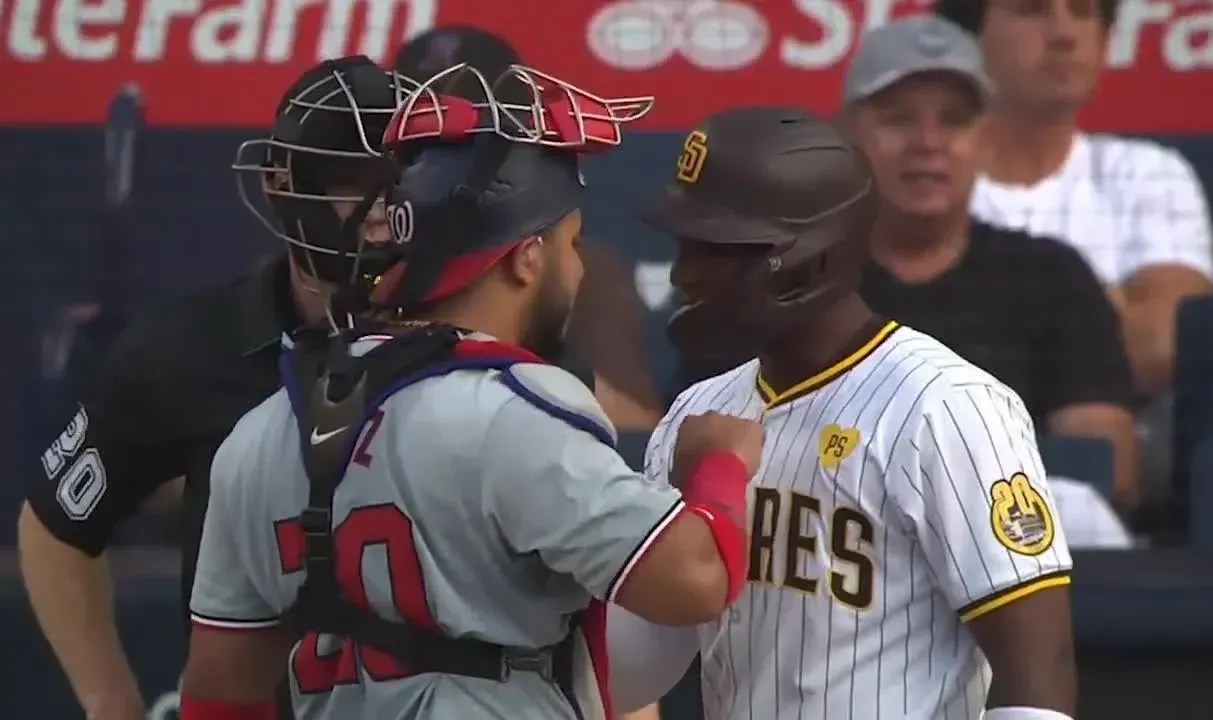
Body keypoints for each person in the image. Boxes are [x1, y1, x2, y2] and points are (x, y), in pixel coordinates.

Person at [178, 62, 763, 720]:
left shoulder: (260, 432)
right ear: (527, 256)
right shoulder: (514, 411)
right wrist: (716, 467)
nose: (576, 268)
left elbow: (220, 690)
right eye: (572, 244)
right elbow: (695, 582)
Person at [608, 107, 1077, 719]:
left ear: (807, 259)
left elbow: (1038, 676)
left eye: (715, 248)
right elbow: (634, 664)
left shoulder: (946, 407)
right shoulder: (697, 415)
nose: (683, 272)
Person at [16, 55, 410, 720]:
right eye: (352, 176)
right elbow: (54, 525)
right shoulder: (187, 350)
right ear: (279, 180)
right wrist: (108, 700)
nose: (381, 207)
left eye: (402, 177)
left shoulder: (485, 339)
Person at [836, 17, 1139, 525]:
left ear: (986, 138)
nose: (927, 142)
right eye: (898, 119)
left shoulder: (1053, 277)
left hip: (1013, 544)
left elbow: (1105, 469)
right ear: (846, 136)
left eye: (954, 119)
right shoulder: (791, 280)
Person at [934, 0, 1213, 398]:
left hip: (1103, 445)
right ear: (968, 37)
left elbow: (1165, 349)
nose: (1065, 35)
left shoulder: (1149, 173)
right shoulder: (926, 182)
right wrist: (1105, 308)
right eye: (1031, 11)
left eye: (1082, 11)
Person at [396, 24, 666, 432]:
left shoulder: (573, 262)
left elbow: (637, 422)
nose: (453, 155)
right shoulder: (351, 247)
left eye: (480, 133)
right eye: (432, 139)